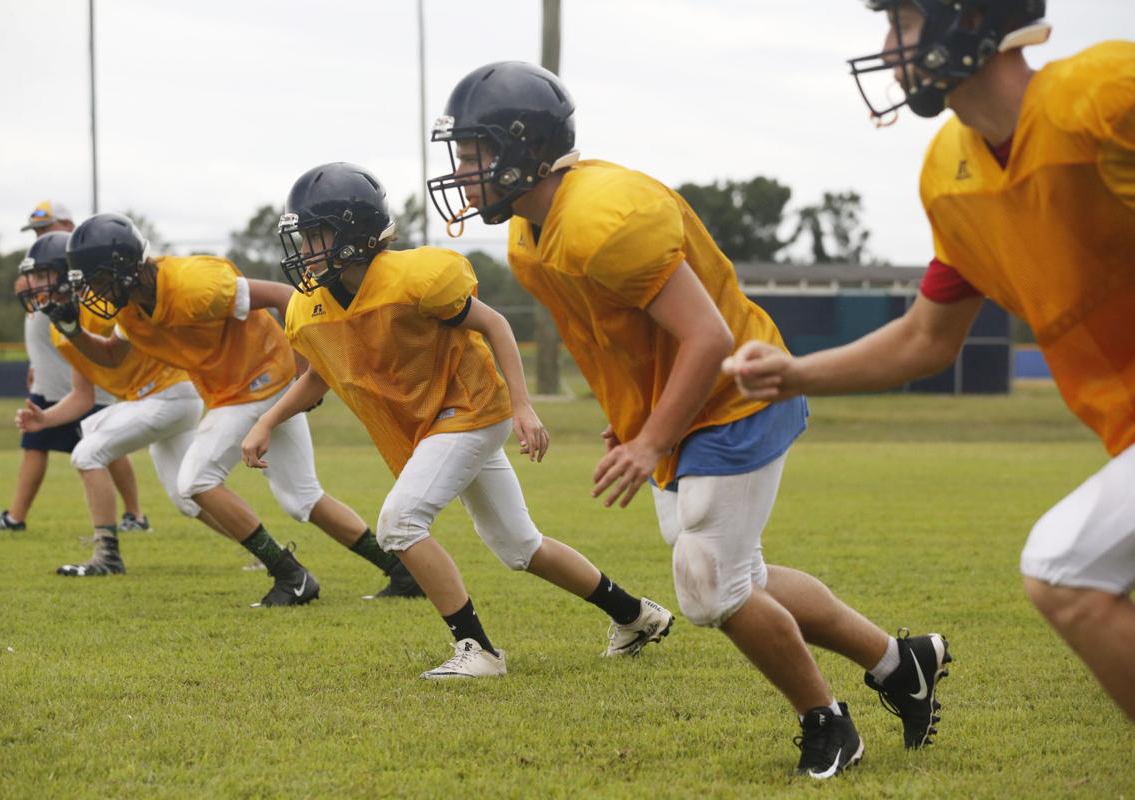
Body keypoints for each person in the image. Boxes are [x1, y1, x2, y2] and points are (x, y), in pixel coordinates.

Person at [428, 61, 952, 776]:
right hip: (687, 405)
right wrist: (630, 414)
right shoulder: (529, 236)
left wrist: (651, 438)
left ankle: (827, 722)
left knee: (708, 584)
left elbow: (708, 337)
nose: (464, 173)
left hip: (738, 393)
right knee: (741, 578)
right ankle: (898, 663)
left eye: (475, 154)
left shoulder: (603, 216)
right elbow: (611, 336)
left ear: (526, 148)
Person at [727, 1, 1135, 722]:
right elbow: (925, 339)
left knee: (1065, 565)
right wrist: (796, 375)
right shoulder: (951, 173)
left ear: (968, 18)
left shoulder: (1102, 93)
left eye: (905, 21)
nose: (889, 46)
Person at [241, 162, 673, 679]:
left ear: (355, 233)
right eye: (304, 237)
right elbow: (323, 374)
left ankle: (478, 650)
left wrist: (522, 405)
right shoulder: (309, 306)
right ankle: (634, 615)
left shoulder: (414, 277)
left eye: (318, 235)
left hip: (471, 409)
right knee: (521, 547)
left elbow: (495, 323)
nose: (307, 250)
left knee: (399, 524)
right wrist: (267, 421)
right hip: (435, 425)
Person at [53, 212, 421, 606]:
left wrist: (304, 371)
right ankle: (403, 573)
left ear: (126, 269)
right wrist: (73, 331)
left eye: (97, 279)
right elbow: (111, 357)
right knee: (303, 499)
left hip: (260, 380)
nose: (93, 291)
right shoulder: (131, 307)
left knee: (195, 480)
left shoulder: (193, 284)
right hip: (241, 389)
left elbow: (285, 296)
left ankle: (290, 575)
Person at [13, 231, 230, 576]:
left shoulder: (102, 305)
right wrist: (46, 420)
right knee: (188, 497)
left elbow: (136, 333)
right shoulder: (61, 326)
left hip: (168, 393)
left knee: (87, 452)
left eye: (42, 274)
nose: (33, 283)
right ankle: (269, 552)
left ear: (66, 274)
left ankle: (107, 555)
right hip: (161, 399)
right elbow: (83, 395)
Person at [0, 200, 148, 534]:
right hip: (51, 374)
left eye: (45, 228)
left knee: (102, 447)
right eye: (36, 231)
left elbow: (82, 330)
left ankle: (135, 515)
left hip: (75, 381)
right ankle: (17, 517)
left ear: (67, 225)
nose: (39, 236)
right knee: (38, 444)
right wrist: (36, 363)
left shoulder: (77, 268)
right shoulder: (45, 263)